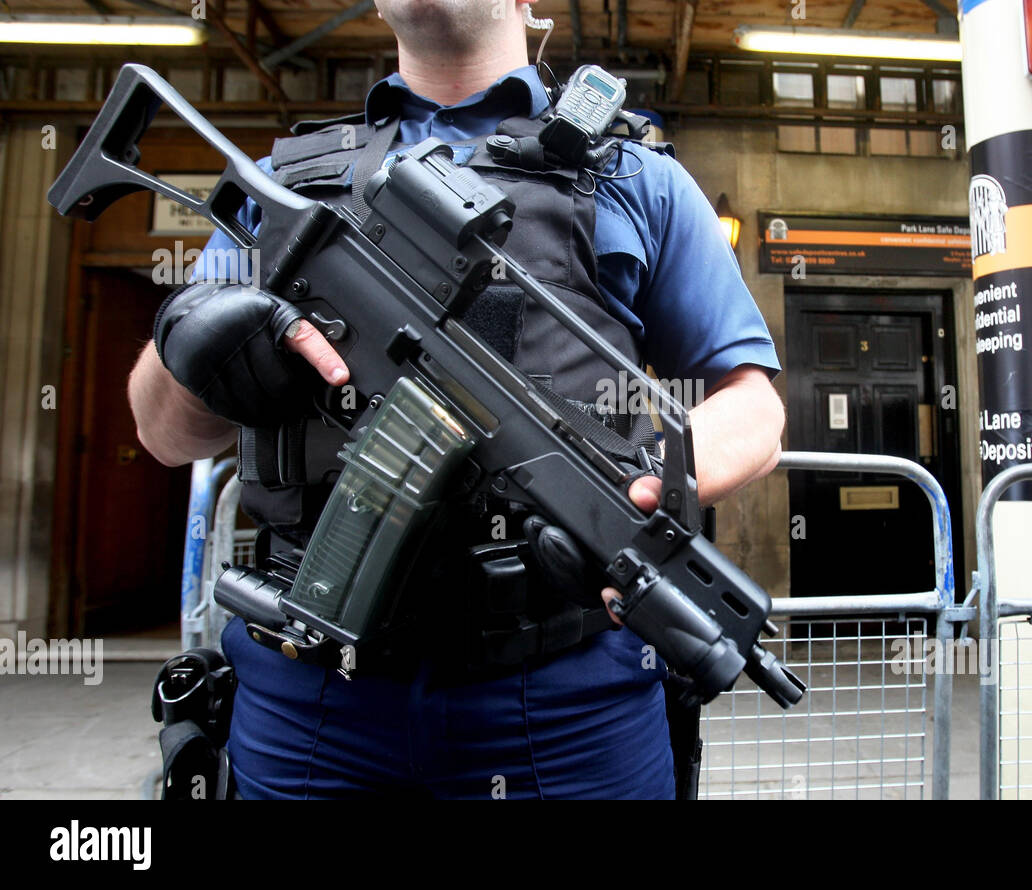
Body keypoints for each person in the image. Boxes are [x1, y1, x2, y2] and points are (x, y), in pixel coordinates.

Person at [128, 0, 784, 799]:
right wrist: (193, 343)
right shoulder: (285, 184)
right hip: (309, 692)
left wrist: (636, 485)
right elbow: (162, 434)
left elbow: (753, 407)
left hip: (565, 701)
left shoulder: (633, 175)